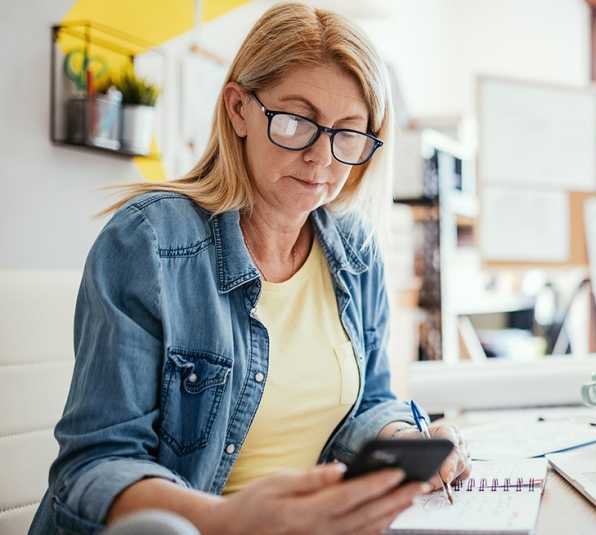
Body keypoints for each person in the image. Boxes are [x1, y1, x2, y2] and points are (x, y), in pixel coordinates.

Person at [28, 4, 470, 534]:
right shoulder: (149, 243)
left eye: (348, 134)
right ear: (239, 109)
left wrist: (404, 439)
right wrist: (226, 520)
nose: (322, 160)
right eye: (295, 122)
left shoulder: (355, 251)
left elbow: (368, 403)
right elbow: (91, 469)